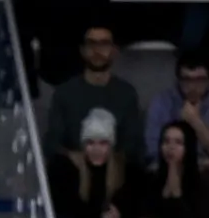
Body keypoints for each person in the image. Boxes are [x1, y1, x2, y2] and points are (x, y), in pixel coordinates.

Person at [44, 19, 144, 169]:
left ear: (114, 51)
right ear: (83, 50)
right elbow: (52, 143)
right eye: (92, 44)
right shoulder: (64, 93)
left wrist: (111, 161)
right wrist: (72, 156)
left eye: (104, 44)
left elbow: (134, 144)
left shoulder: (127, 93)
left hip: (117, 173)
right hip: (73, 172)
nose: (97, 50)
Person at [145, 47, 209, 184]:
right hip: (172, 164)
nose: (192, 86)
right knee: (151, 173)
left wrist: (196, 123)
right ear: (178, 79)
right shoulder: (161, 101)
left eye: (200, 79)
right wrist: (186, 163)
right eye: (186, 79)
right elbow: (152, 150)